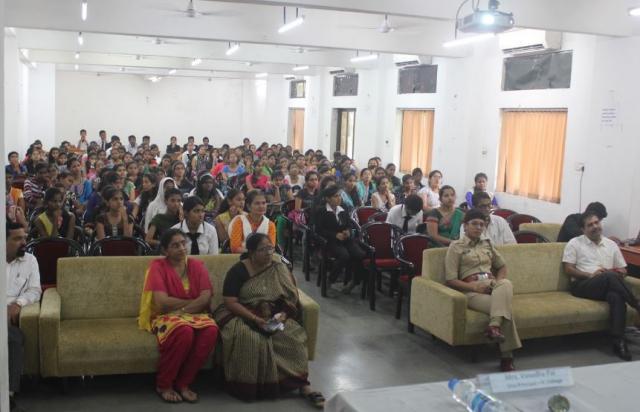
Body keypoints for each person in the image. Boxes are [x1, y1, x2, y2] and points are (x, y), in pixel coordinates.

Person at [213, 233, 324, 407]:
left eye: (271, 248)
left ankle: (303, 385)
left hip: (273, 315)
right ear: (251, 252)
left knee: (293, 337)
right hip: (243, 313)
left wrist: (284, 314)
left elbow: (291, 296)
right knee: (250, 338)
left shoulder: (278, 267)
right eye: (263, 249)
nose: (269, 253)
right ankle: (251, 386)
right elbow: (230, 301)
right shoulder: (238, 270)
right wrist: (255, 319)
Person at [138, 229, 218, 404]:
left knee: (211, 330)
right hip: (163, 316)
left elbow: (205, 297)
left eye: (183, 243)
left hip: (192, 314)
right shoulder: (157, 267)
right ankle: (164, 384)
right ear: (165, 250)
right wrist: (192, 302)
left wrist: (182, 310)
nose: (182, 248)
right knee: (184, 331)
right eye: (175, 245)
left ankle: (183, 383)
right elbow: (162, 303)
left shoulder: (197, 266)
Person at [445, 209, 521, 372]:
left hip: (492, 285)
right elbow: (450, 279)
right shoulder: (456, 247)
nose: (478, 227)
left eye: (481, 225)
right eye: (474, 224)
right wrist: (473, 287)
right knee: (505, 310)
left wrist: (497, 283)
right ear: (465, 226)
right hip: (471, 290)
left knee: (506, 283)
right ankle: (507, 357)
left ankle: (493, 326)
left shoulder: (487, 243)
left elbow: (502, 266)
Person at [562, 211, 640, 361]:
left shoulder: (611, 244)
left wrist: (619, 272)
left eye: (596, 222)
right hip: (583, 284)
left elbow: (623, 269)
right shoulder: (574, 243)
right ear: (583, 229)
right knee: (608, 276)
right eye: (590, 225)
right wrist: (591, 275)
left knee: (616, 296)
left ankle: (619, 341)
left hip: (608, 284)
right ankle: (637, 305)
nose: (595, 227)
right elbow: (568, 269)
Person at [6, 221, 42, 411]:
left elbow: (35, 290)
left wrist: (18, 304)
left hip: (10, 317)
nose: (24, 243)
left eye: (25, 238)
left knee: (14, 339)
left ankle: (8, 395)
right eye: (17, 239)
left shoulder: (30, 261)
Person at [315, 185, 367, 294]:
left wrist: (348, 231)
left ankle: (355, 281)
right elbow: (319, 230)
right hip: (330, 241)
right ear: (328, 199)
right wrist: (334, 235)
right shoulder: (321, 211)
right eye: (336, 196)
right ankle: (330, 280)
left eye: (340, 196)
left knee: (360, 254)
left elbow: (349, 224)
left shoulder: (343, 208)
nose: (339, 198)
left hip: (345, 239)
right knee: (344, 255)